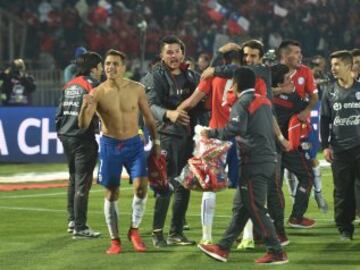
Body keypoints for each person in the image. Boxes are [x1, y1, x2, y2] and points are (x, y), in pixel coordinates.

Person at [198, 67, 288, 265]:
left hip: (253, 161)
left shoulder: (242, 103)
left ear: (236, 84)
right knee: (242, 208)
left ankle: (276, 250)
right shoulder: (263, 100)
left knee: (255, 207)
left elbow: (236, 128)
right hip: (268, 159)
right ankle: (223, 248)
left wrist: (210, 133)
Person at [78, 49, 160, 254]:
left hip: (134, 144)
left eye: (115, 63)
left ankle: (134, 230)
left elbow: (149, 118)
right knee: (111, 192)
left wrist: (157, 142)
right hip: (110, 146)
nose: (110, 67)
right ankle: (115, 240)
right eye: (107, 64)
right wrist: (83, 107)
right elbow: (83, 124)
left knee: (141, 187)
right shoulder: (97, 92)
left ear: (124, 67)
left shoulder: (137, 89)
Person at [177, 46, 242, 245]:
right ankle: (247, 237)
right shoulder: (249, 77)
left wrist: (172, 113)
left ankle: (206, 237)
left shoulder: (211, 77)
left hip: (215, 137)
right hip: (241, 137)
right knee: (246, 186)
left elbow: (192, 100)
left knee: (209, 187)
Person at [142, 35, 199, 248]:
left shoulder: (192, 76)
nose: (173, 56)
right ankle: (157, 235)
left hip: (187, 138)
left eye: (176, 51)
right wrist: (169, 114)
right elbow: (149, 105)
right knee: (164, 186)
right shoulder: (154, 76)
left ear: (182, 53)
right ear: (162, 55)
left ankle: (176, 233)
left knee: (184, 184)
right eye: (169, 52)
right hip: (165, 137)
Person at [56, 51, 103, 239]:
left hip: (66, 135)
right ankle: (81, 227)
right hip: (82, 138)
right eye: (100, 67)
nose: (102, 70)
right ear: (93, 68)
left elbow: (59, 112)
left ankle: (72, 220)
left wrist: (61, 131)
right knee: (83, 182)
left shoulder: (70, 84)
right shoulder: (92, 85)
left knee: (74, 178)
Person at [273, 40, 318, 228]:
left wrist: (307, 110)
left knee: (274, 186)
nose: (300, 55)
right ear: (285, 55)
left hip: (284, 142)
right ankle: (288, 220)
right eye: (296, 52)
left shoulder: (292, 92)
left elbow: (309, 101)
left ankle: (283, 222)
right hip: (282, 143)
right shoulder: (282, 88)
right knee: (304, 178)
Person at [320, 50, 360, 241]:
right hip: (340, 149)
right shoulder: (329, 91)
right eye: (332, 64)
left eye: (337, 64)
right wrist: (325, 146)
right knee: (342, 190)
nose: (333, 68)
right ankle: (345, 228)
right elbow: (324, 120)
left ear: (348, 66)